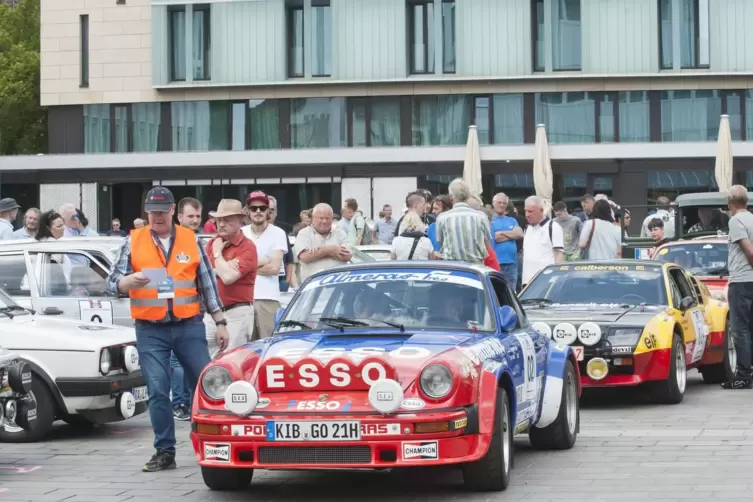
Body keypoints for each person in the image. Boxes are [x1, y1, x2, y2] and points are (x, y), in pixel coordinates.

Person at [107, 186, 229, 472]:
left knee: (208, 384)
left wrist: (220, 321)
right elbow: (112, 282)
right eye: (152, 212)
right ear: (147, 212)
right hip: (151, 329)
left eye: (162, 212)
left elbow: (208, 283)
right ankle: (165, 451)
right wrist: (127, 282)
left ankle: (219, 441)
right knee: (158, 389)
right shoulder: (132, 241)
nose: (157, 217)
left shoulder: (190, 239)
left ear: (173, 210)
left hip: (189, 326)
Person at [205, 199, 258, 356]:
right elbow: (203, 273)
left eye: (227, 220)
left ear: (240, 221)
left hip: (238, 312)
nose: (221, 224)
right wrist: (222, 267)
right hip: (212, 313)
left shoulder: (247, 246)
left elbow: (228, 278)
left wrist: (217, 254)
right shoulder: (212, 242)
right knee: (205, 362)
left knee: (232, 361)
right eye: (219, 219)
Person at [241, 191, 289, 339]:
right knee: (244, 349)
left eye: (262, 208)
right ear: (248, 211)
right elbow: (234, 266)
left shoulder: (278, 233)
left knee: (267, 346)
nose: (258, 212)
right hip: (243, 300)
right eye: (254, 208)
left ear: (268, 211)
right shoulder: (240, 233)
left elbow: (274, 268)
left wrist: (246, 266)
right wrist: (264, 261)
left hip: (269, 298)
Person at [723, 185, 753, 390]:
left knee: (740, 329)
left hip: (742, 279)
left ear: (730, 203)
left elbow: (748, 250)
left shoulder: (736, 220)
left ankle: (743, 375)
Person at [435, 179, 490, 266]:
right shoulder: (481, 216)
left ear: (451, 197)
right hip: (476, 267)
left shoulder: (442, 218)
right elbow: (486, 241)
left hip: (452, 266)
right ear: (468, 196)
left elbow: (441, 242)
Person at [294, 203, 351, 282]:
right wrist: (330, 250)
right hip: (313, 286)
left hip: (337, 285)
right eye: (321, 218)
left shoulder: (340, 233)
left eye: (327, 218)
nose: (324, 221)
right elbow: (304, 257)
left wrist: (317, 252)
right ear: (313, 218)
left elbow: (347, 256)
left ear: (332, 219)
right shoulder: (304, 233)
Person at [522, 196, 564, 288]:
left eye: (531, 211)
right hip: (527, 281)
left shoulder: (553, 227)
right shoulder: (527, 228)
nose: (527, 214)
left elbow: (559, 255)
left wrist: (555, 278)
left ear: (541, 211)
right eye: (526, 211)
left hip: (546, 281)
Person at [492, 193, 523, 289]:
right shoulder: (489, 220)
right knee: (496, 293)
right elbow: (494, 237)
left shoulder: (512, 220)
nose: (502, 205)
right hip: (496, 264)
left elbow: (520, 234)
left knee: (511, 293)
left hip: (512, 264)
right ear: (493, 203)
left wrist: (501, 233)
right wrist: (511, 234)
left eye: (504, 203)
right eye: (499, 202)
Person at [268, 195, 297, 291]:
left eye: (271, 210)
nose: (268, 213)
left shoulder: (281, 233)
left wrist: (287, 282)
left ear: (276, 212)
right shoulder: (249, 233)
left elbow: (289, 261)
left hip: (280, 282)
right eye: (265, 209)